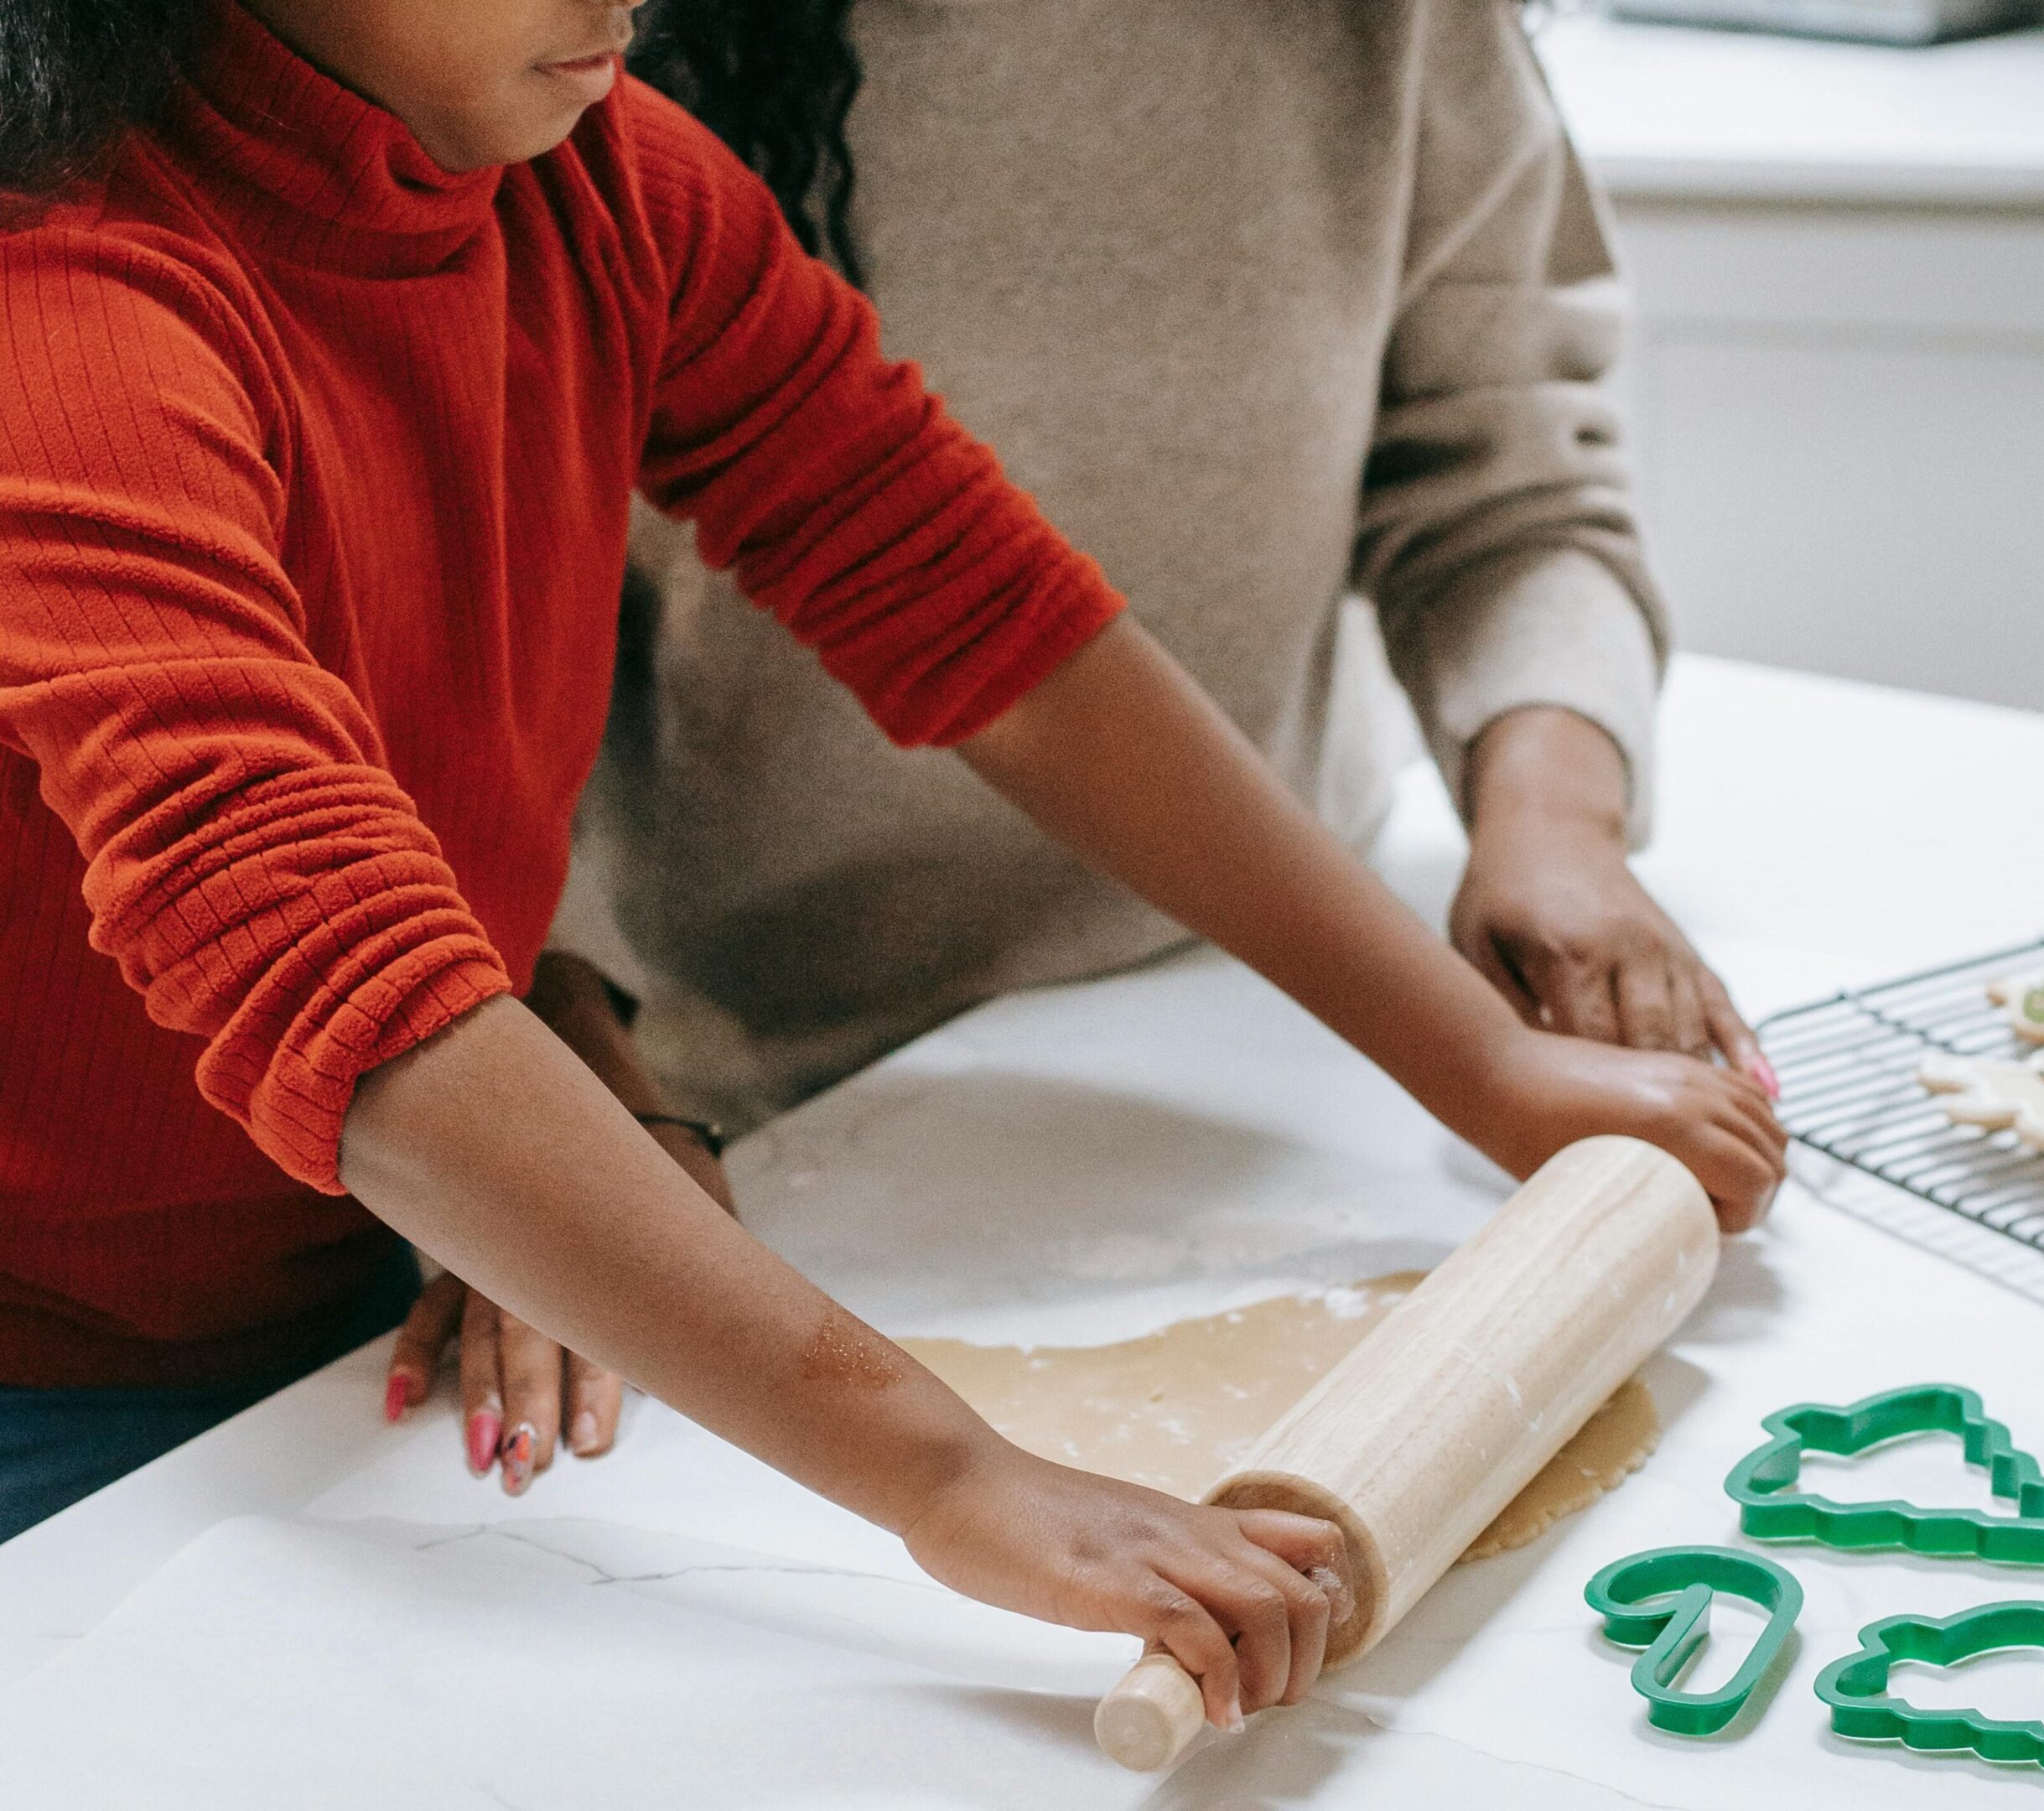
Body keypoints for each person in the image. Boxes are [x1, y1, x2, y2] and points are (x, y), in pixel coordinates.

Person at [0, 0, 1779, 1729]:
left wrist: (1479, 1063)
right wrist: (948, 1479)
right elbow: (339, 987)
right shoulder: (60, 304)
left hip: (348, 1271)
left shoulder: (602, 175)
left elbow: (985, 614)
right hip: (50, 1353)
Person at [398, 0, 1780, 1483]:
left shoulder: (1386, 29)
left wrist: (1538, 872)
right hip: (731, 1060)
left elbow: (983, 607)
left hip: (1255, 1004)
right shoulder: (560, 62)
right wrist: (566, 1081)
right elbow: (434, 672)